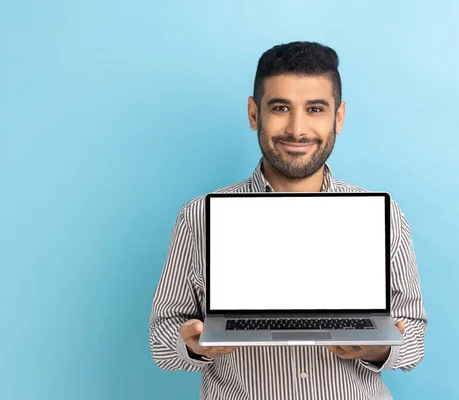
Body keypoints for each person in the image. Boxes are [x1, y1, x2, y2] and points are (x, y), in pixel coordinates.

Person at [149, 41, 427, 400]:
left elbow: (414, 338)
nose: (297, 129)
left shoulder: (385, 215)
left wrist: (379, 350)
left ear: (338, 117)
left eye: (315, 109)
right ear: (254, 114)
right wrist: (193, 346)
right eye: (280, 107)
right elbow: (162, 341)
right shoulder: (198, 217)